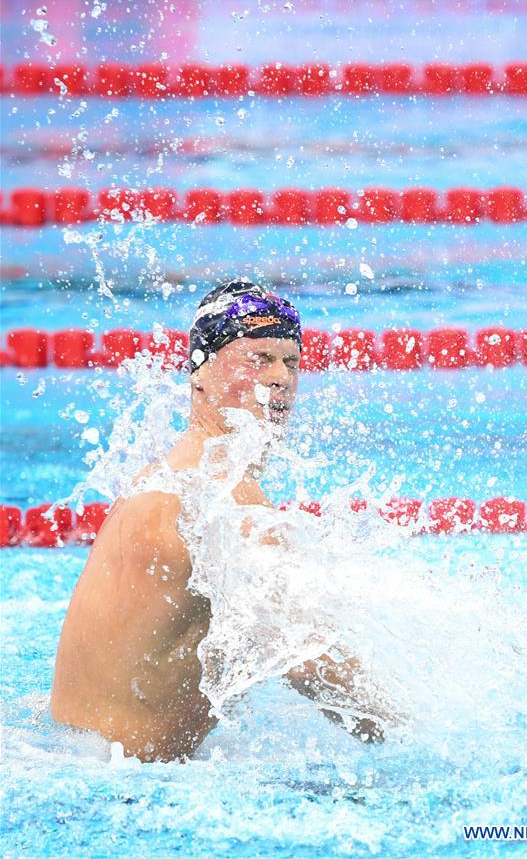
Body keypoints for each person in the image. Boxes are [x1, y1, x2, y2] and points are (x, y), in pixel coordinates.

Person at [51, 280, 393, 762]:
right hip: (120, 788)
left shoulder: (177, 474)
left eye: (290, 362)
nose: (281, 378)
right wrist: (407, 732)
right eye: (258, 358)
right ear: (199, 374)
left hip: (81, 759)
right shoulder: (215, 500)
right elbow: (309, 662)